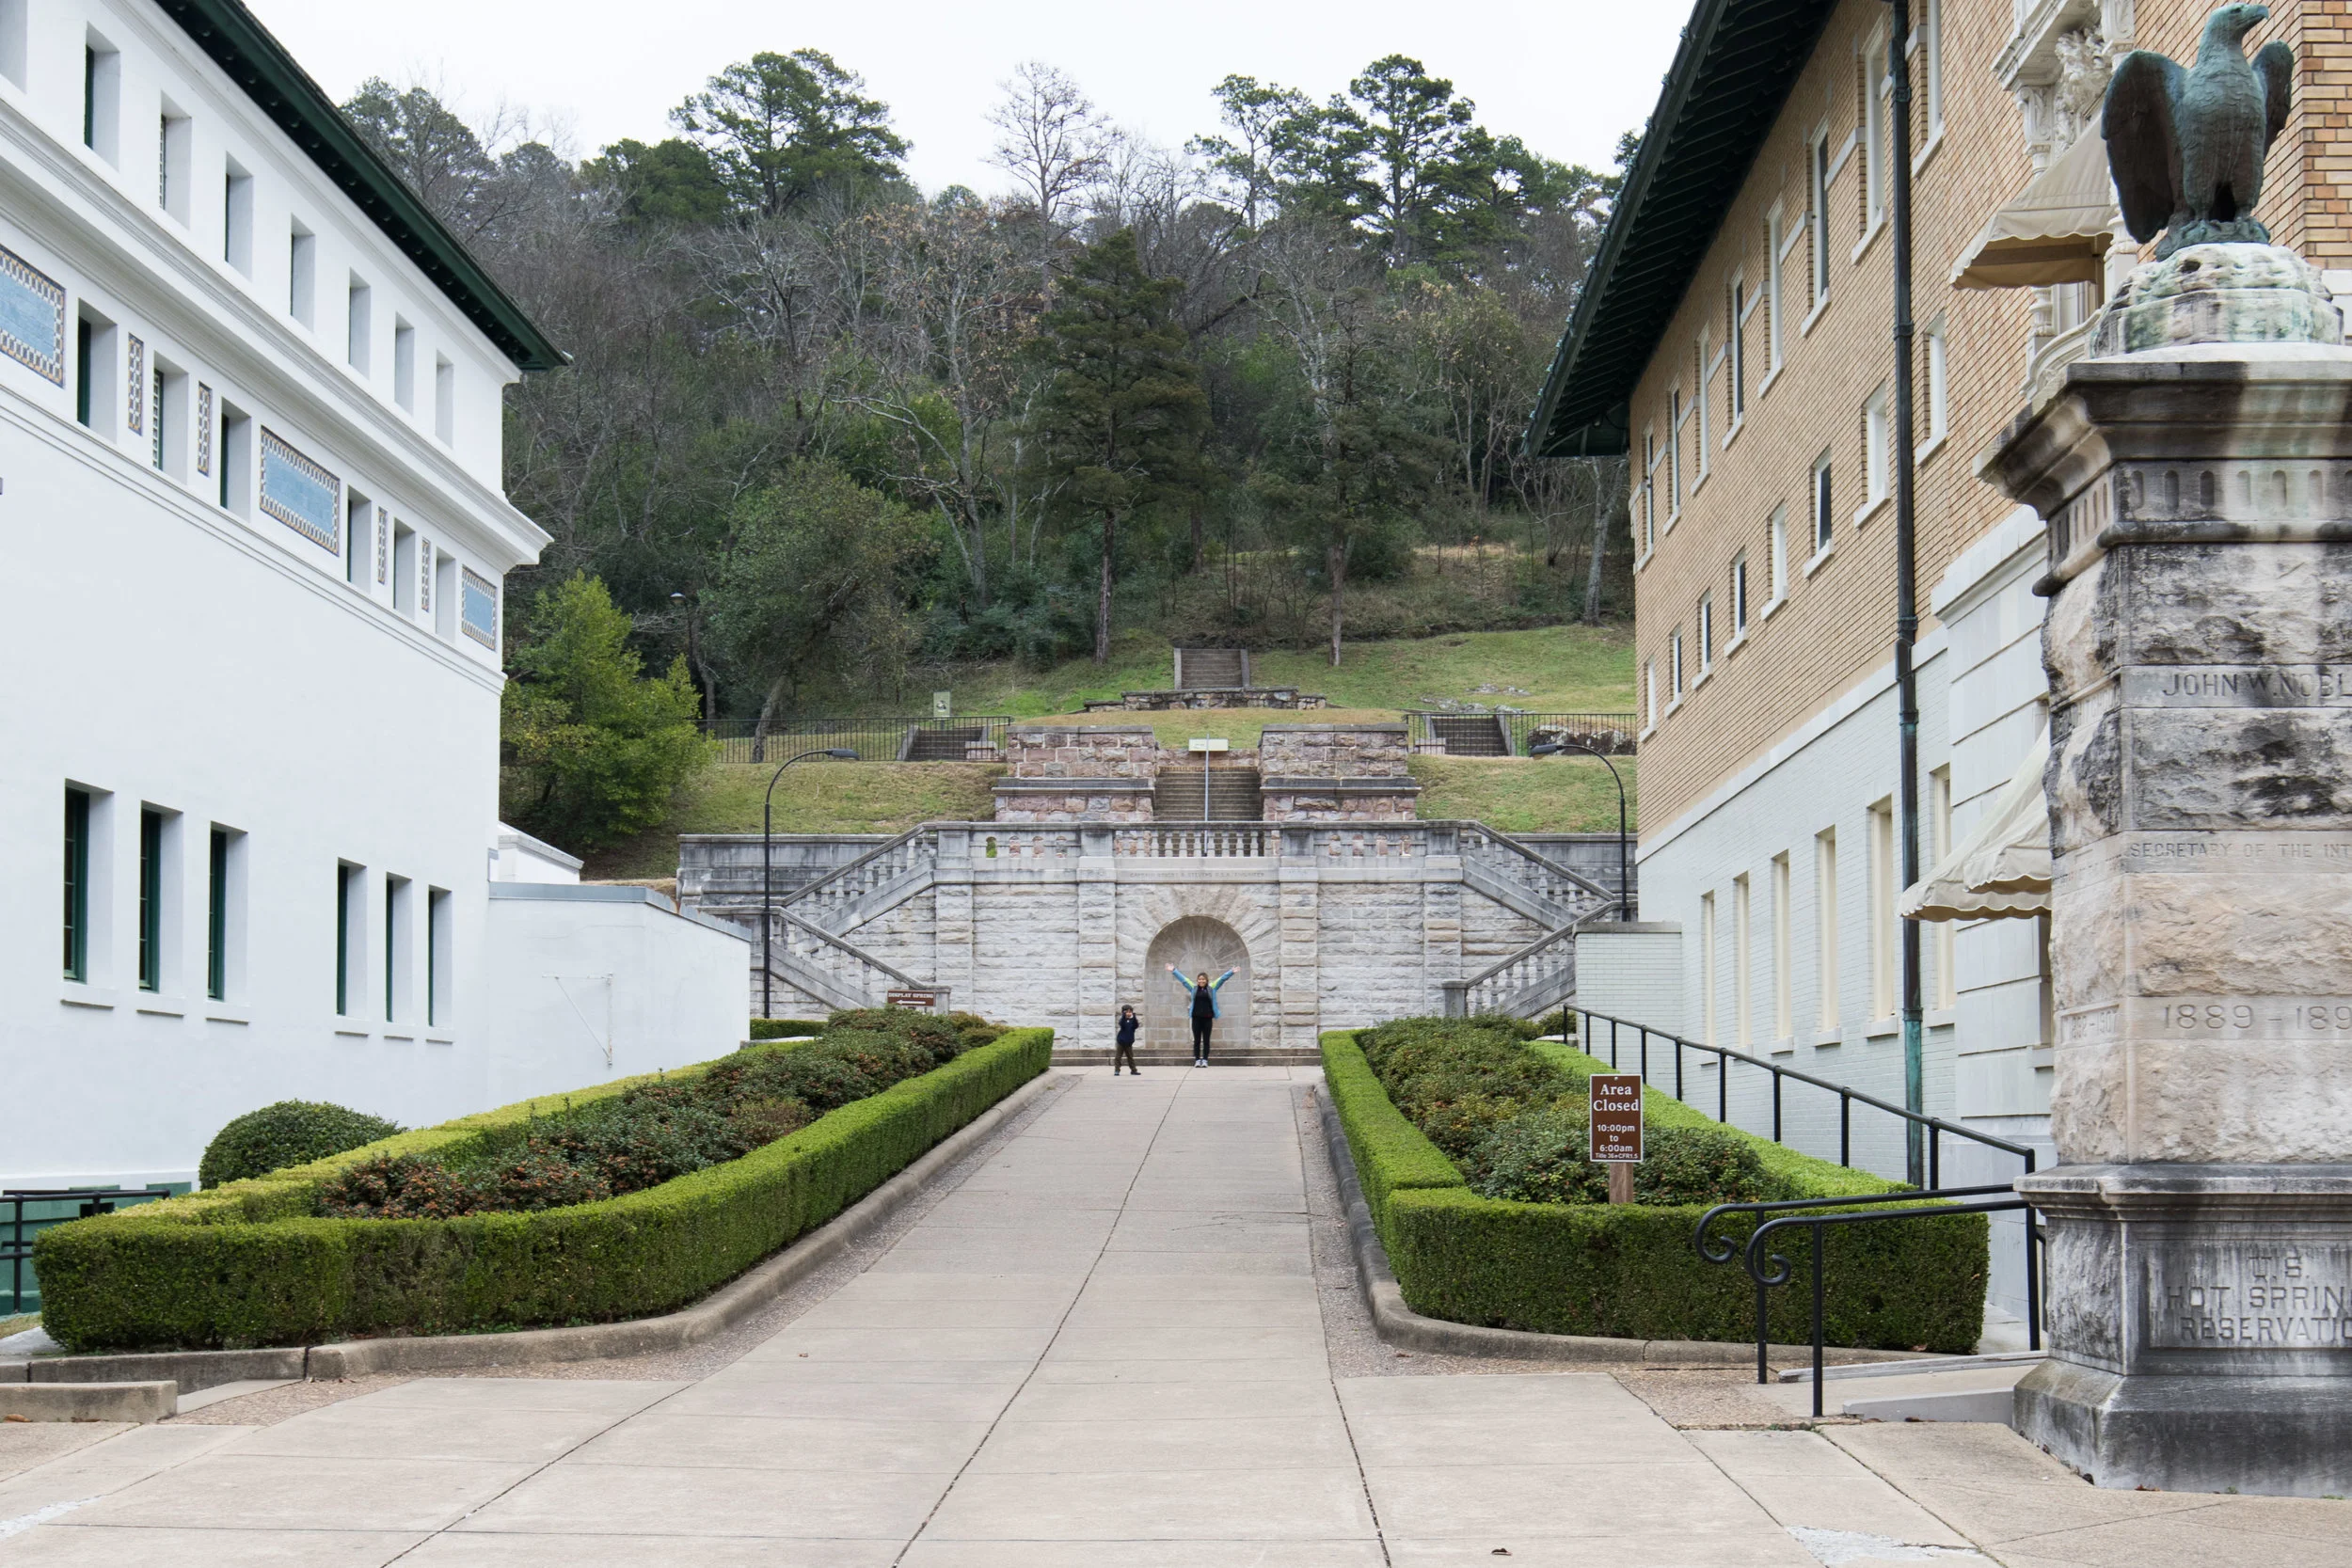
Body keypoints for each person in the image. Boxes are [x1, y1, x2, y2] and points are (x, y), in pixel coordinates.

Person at [1167, 964, 1235, 1068]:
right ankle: (1198, 1060)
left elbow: (1222, 979)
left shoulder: (1211, 988)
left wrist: (1231, 972)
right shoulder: (1194, 988)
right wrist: (1174, 970)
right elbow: (1184, 980)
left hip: (1207, 1018)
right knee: (1197, 1040)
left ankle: (1205, 1060)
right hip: (1196, 1018)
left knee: (1206, 1040)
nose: (1201, 981)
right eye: (1199, 979)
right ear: (1197, 980)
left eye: (1203, 979)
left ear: (1206, 980)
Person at [1113, 1005, 1141, 1076]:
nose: (1129, 1013)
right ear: (1123, 1012)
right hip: (1121, 1042)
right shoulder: (1122, 1020)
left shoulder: (1132, 1021)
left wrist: (1134, 1016)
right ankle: (1117, 1070)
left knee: (1130, 1057)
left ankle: (1133, 1070)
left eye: (1130, 1011)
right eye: (1127, 1012)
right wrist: (1123, 1016)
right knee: (1118, 1057)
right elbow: (1121, 1024)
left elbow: (1136, 1025)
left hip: (1129, 1042)